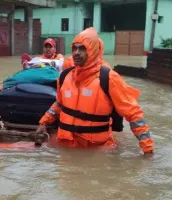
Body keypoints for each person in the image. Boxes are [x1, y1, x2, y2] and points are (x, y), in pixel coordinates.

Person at [36, 27, 154, 155]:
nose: (76, 53)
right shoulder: (65, 77)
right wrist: (44, 122)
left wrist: (148, 150)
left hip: (98, 150)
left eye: (82, 49)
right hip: (66, 146)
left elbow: (134, 114)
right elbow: (59, 104)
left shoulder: (109, 78)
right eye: (74, 48)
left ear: (92, 51)